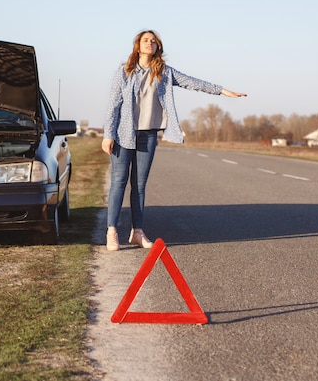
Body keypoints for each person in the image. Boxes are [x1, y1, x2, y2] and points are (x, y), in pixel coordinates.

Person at [102, 30, 247, 251]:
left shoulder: (164, 72)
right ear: (137, 46)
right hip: (124, 135)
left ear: (158, 46)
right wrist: (108, 134)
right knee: (119, 183)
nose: (149, 43)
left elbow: (193, 82)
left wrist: (223, 91)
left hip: (148, 135)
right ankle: (112, 232)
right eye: (145, 40)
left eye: (153, 41)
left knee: (139, 186)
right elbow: (113, 106)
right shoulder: (124, 72)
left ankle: (137, 232)